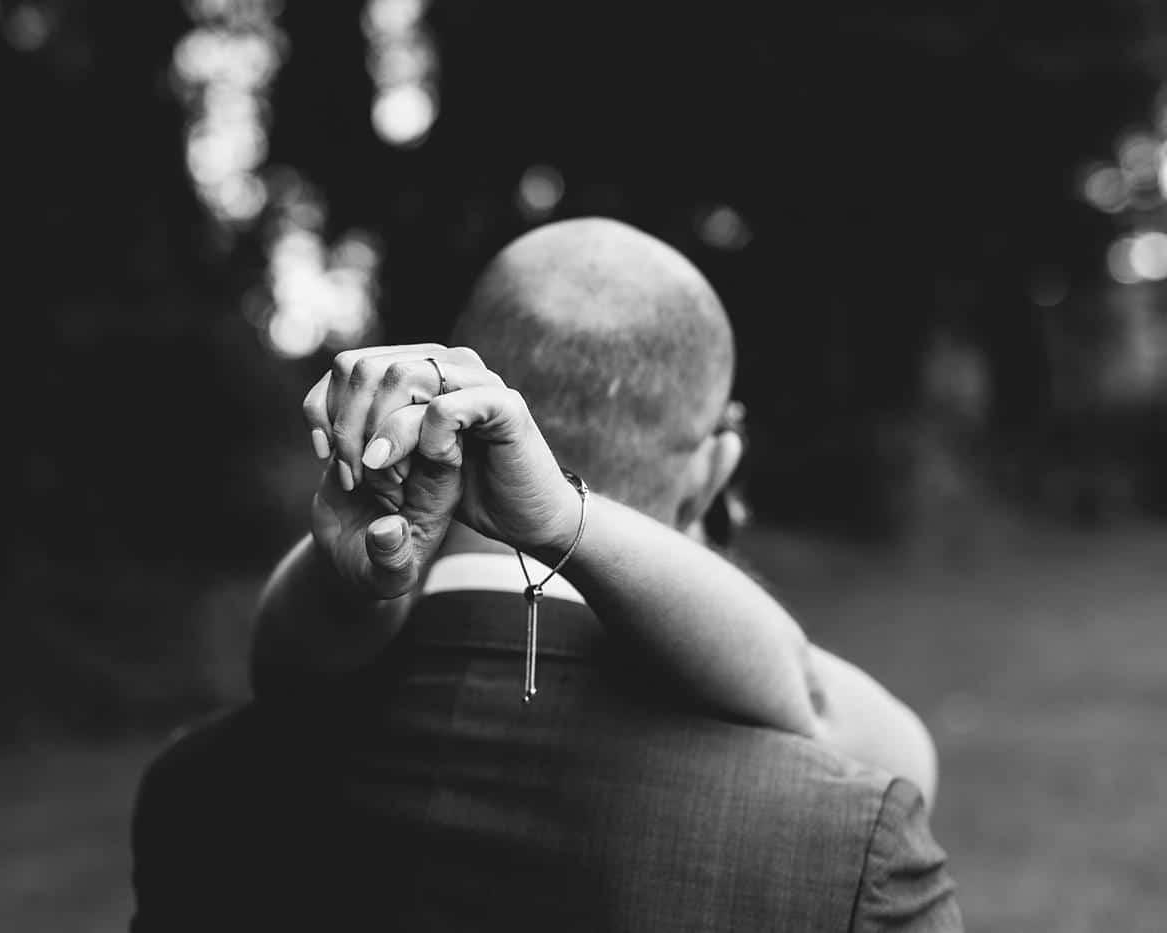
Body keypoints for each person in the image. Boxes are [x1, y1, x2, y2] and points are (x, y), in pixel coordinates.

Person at [130, 218, 962, 931]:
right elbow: (868, 731)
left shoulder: (193, 797)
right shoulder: (854, 838)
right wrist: (569, 520)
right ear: (712, 469)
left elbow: (280, 665)